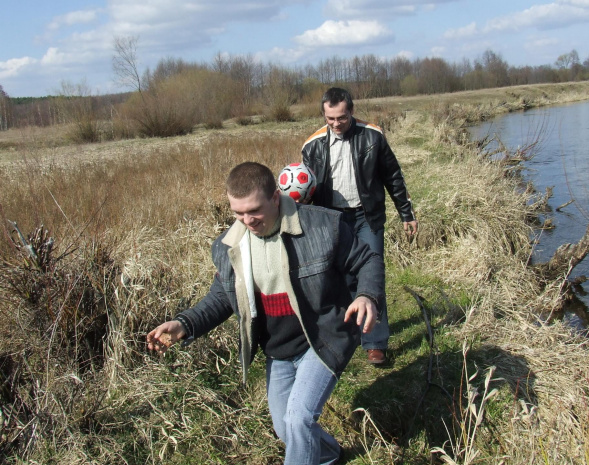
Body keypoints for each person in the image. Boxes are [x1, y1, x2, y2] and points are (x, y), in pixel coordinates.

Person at [147, 162, 383, 465]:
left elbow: (367, 261)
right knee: (285, 428)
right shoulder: (228, 246)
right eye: (238, 213)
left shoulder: (323, 226)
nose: (247, 220)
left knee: (298, 419)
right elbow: (221, 297)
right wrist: (184, 323)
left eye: (254, 210)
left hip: (321, 339)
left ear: (275, 197)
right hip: (278, 350)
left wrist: (367, 296)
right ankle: (329, 456)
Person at [302, 87, 418, 365]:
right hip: (331, 220)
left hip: (367, 217)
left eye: (341, 118)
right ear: (324, 115)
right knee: (337, 280)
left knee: (372, 273)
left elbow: (393, 176)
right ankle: (343, 335)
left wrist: (407, 213)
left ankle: (375, 342)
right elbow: (306, 188)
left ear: (351, 111)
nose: (336, 124)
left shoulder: (373, 136)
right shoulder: (312, 145)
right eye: (330, 119)